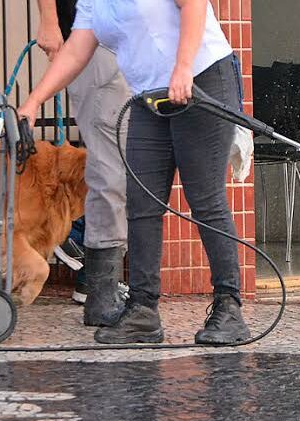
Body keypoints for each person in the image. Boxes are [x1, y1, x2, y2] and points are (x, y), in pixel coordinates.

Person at [19, 0, 251, 345]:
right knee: (142, 202)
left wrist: (183, 68)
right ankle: (143, 311)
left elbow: (194, 5)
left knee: (205, 199)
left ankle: (229, 308)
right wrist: (35, 100)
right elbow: (76, 51)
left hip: (201, 78)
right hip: (149, 96)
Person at [36, 0, 129, 325]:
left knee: (125, 165)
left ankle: (98, 279)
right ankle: (90, 266)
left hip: (118, 42)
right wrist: (49, 21)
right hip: (96, 42)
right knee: (115, 167)